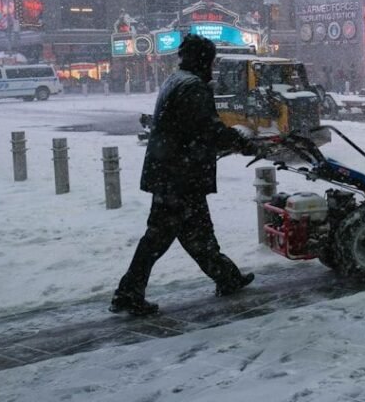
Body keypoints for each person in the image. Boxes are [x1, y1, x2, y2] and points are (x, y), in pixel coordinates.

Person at [110, 35, 262, 317]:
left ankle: (226, 277)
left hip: (173, 173)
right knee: (160, 237)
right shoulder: (192, 88)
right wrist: (242, 143)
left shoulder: (176, 80)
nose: (213, 67)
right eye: (211, 61)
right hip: (179, 176)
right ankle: (128, 293)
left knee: (197, 234)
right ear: (203, 60)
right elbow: (208, 129)